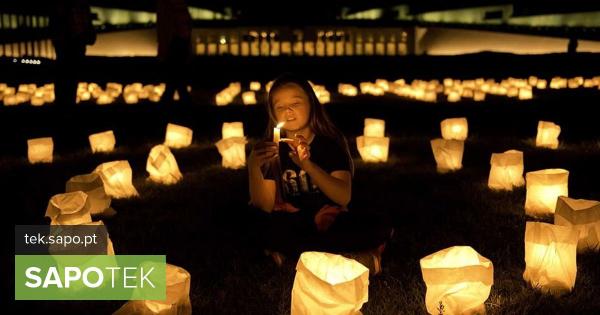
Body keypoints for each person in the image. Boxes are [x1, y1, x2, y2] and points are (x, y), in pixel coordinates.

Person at [247, 73, 392, 275]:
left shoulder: (330, 144)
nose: (288, 110)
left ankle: (294, 257)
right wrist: (254, 167)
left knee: (376, 223)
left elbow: (343, 196)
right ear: (272, 113)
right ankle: (348, 258)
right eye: (280, 106)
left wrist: (309, 166)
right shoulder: (273, 151)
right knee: (255, 223)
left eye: (296, 103)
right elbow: (264, 205)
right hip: (295, 223)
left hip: (333, 221)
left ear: (312, 104)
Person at [50, 0, 96, 106]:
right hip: (67, 55)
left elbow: (90, 37)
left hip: (72, 54)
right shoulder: (63, 9)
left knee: (68, 87)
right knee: (66, 87)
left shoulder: (79, 7)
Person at [156, 0, 192, 104]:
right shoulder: (176, 6)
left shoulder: (166, 5)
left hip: (176, 45)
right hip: (177, 45)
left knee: (174, 82)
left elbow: (164, 27)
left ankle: (170, 105)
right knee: (177, 82)